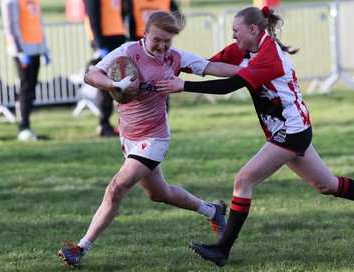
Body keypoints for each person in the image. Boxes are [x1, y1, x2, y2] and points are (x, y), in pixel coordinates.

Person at [156, 6, 354, 267]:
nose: (233, 36)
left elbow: (231, 85)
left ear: (253, 30)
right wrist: (169, 57)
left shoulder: (270, 56)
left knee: (243, 180)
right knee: (327, 185)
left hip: (291, 131)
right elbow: (209, 65)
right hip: (289, 129)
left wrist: (184, 86)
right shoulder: (245, 49)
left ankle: (222, 250)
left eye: (236, 30)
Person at [57, 10, 240, 268]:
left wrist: (251, 70)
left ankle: (80, 248)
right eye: (158, 40)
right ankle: (212, 210)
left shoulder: (175, 58)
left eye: (168, 41)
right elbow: (91, 74)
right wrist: (114, 85)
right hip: (129, 137)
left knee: (116, 188)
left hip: (155, 137)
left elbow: (212, 67)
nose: (162, 46)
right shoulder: (128, 51)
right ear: (145, 34)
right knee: (159, 193)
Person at [0, 0, 50, 142]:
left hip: (35, 50)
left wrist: (44, 48)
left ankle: (27, 126)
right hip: (23, 51)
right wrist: (20, 51)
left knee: (31, 89)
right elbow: (11, 25)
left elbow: (38, 23)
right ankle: (23, 128)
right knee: (25, 88)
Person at [124, 0, 182, 113]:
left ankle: (162, 114)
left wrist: (168, 34)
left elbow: (180, 18)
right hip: (140, 47)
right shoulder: (133, 2)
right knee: (139, 85)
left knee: (162, 82)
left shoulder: (167, 1)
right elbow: (128, 20)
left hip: (161, 52)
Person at [83, 0, 127, 137]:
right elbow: (92, 14)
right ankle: (103, 123)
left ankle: (120, 123)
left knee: (120, 83)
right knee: (106, 84)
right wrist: (99, 44)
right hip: (105, 40)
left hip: (117, 37)